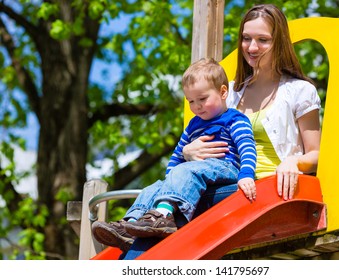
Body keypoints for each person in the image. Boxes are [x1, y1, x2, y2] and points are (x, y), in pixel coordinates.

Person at [97, 3, 321, 259]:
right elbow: (197, 138)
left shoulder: (299, 91)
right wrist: (189, 153)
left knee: (168, 206)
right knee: (160, 198)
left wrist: (294, 161)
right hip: (219, 180)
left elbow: (316, 153)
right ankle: (130, 230)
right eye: (246, 38)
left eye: (263, 40)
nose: (252, 47)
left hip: (260, 186)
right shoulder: (231, 90)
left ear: (279, 42)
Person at [92, 58, 257, 252]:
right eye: (191, 102)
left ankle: (163, 216)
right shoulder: (193, 125)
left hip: (225, 168)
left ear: (222, 92)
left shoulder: (234, 119)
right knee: (154, 187)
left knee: (185, 170)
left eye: (202, 99)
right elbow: (178, 154)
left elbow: (247, 146)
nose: (197, 106)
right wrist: (169, 181)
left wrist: (246, 174)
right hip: (196, 171)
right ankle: (130, 224)